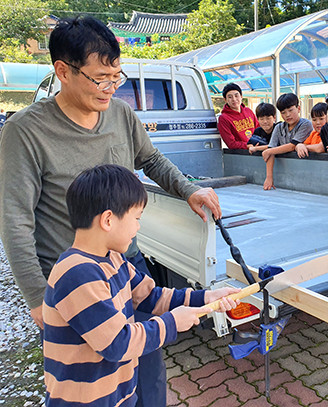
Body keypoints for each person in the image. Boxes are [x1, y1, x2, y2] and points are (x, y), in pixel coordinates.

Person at [0, 16, 221, 407]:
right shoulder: (25, 131)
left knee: (145, 372)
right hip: (72, 282)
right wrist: (37, 298)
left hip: (124, 264)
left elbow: (151, 160)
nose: (111, 89)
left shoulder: (120, 114)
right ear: (63, 71)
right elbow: (15, 219)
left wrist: (189, 190)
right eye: (101, 78)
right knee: (89, 383)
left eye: (116, 77)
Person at [43, 164, 240, 406]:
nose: (138, 227)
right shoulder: (76, 274)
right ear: (108, 220)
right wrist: (172, 322)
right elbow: (117, 343)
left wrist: (206, 298)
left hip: (119, 395)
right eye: (136, 218)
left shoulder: (113, 258)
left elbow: (151, 296)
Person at [261, 93, 312, 190]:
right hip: (286, 176)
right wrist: (269, 177)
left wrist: (269, 151)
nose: (287, 115)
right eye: (283, 112)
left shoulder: (306, 124)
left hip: (306, 172)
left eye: (290, 110)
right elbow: (271, 149)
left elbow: (292, 146)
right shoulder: (279, 127)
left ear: (298, 108)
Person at [217, 83, 258, 149]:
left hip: (257, 149)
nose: (234, 99)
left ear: (241, 96)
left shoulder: (248, 111)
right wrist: (248, 146)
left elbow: (258, 129)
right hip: (240, 154)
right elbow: (231, 143)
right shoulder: (223, 118)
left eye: (236, 96)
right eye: (230, 97)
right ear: (225, 100)